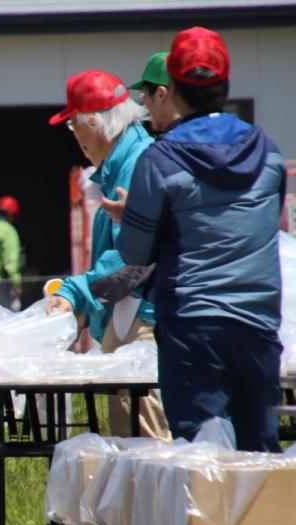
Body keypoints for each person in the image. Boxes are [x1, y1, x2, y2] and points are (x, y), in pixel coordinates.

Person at [116, 27, 287, 452]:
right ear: (226, 86)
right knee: (258, 460)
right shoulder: (268, 152)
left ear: (171, 88)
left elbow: (134, 252)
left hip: (192, 325)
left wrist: (137, 220)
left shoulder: (160, 159)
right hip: (258, 322)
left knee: (203, 460)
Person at [44, 70, 169, 440]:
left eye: (74, 126)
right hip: (130, 316)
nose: (76, 138)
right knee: (137, 450)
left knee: (151, 451)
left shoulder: (136, 167)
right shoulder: (128, 161)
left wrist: (75, 293)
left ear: (95, 124)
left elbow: (131, 260)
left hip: (141, 320)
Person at [100, 53, 183, 226]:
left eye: (144, 94)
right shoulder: (232, 140)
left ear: (160, 94)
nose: (143, 103)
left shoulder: (162, 154)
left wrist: (133, 218)